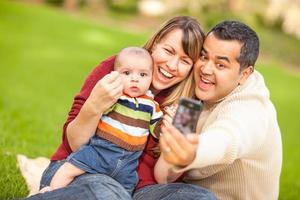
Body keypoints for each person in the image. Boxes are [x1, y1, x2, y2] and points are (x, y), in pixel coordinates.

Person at [27, 16, 216, 200]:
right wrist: (94, 106)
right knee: (108, 194)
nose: (172, 65)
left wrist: (171, 142)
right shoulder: (118, 68)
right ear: (155, 43)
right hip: (81, 169)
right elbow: (74, 144)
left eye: (185, 60)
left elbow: (163, 178)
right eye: (168, 51)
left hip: (140, 189)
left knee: (202, 197)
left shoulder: (188, 107)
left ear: (192, 67)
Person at [152, 20, 282, 199]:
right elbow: (166, 176)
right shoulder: (192, 96)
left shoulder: (252, 109)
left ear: (244, 74)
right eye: (204, 57)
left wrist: (194, 152)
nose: (205, 69)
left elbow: (227, 137)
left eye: (220, 65)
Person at [39, 46, 163, 195]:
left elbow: (157, 131)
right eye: (127, 73)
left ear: (151, 78)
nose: (135, 79)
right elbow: (98, 111)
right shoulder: (115, 96)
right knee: (69, 168)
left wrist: (168, 125)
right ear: (116, 75)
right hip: (101, 150)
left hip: (129, 162)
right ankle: (50, 191)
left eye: (143, 74)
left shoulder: (152, 105)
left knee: (126, 192)